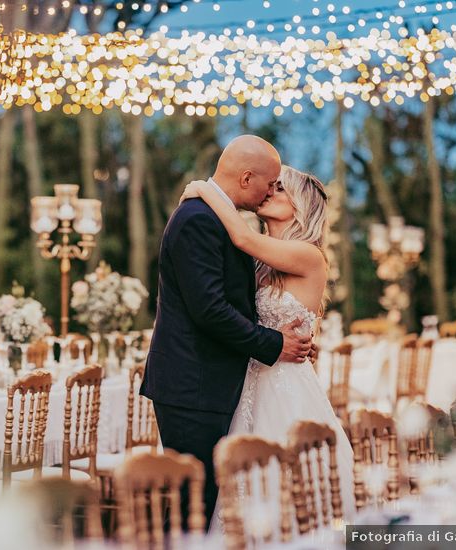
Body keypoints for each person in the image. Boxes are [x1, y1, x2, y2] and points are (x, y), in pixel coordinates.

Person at [141, 135, 313, 528]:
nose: (272, 191)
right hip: (192, 384)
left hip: (210, 382)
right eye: (269, 183)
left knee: (205, 499)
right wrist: (274, 342)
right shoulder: (198, 220)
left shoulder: (219, 218)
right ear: (247, 177)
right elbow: (210, 311)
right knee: (192, 505)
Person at [182, 166, 357, 528]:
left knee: (286, 484)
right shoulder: (260, 265)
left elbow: (243, 237)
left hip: (288, 386)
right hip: (249, 379)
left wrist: (203, 187)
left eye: (279, 189)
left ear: (300, 206)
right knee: (242, 481)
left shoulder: (309, 255)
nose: (268, 192)